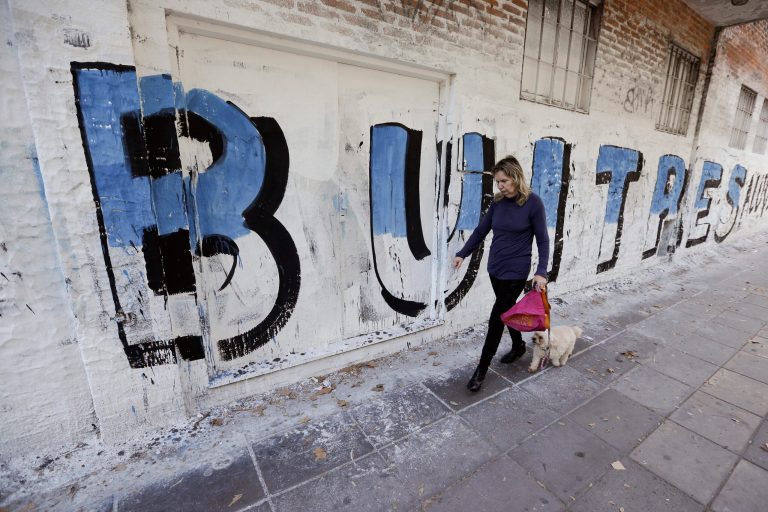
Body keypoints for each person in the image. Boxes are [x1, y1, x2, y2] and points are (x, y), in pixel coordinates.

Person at [453, 156, 549, 392]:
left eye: (504, 181)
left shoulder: (533, 203)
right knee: (507, 311)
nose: (501, 186)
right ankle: (518, 346)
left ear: (516, 177)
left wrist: (541, 271)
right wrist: (462, 253)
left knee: (496, 319)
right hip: (495, 268)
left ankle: (481, 371)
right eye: (498, 182)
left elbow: (543, 240)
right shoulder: (497, 203)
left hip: (516, 271)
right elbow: (481, 230)